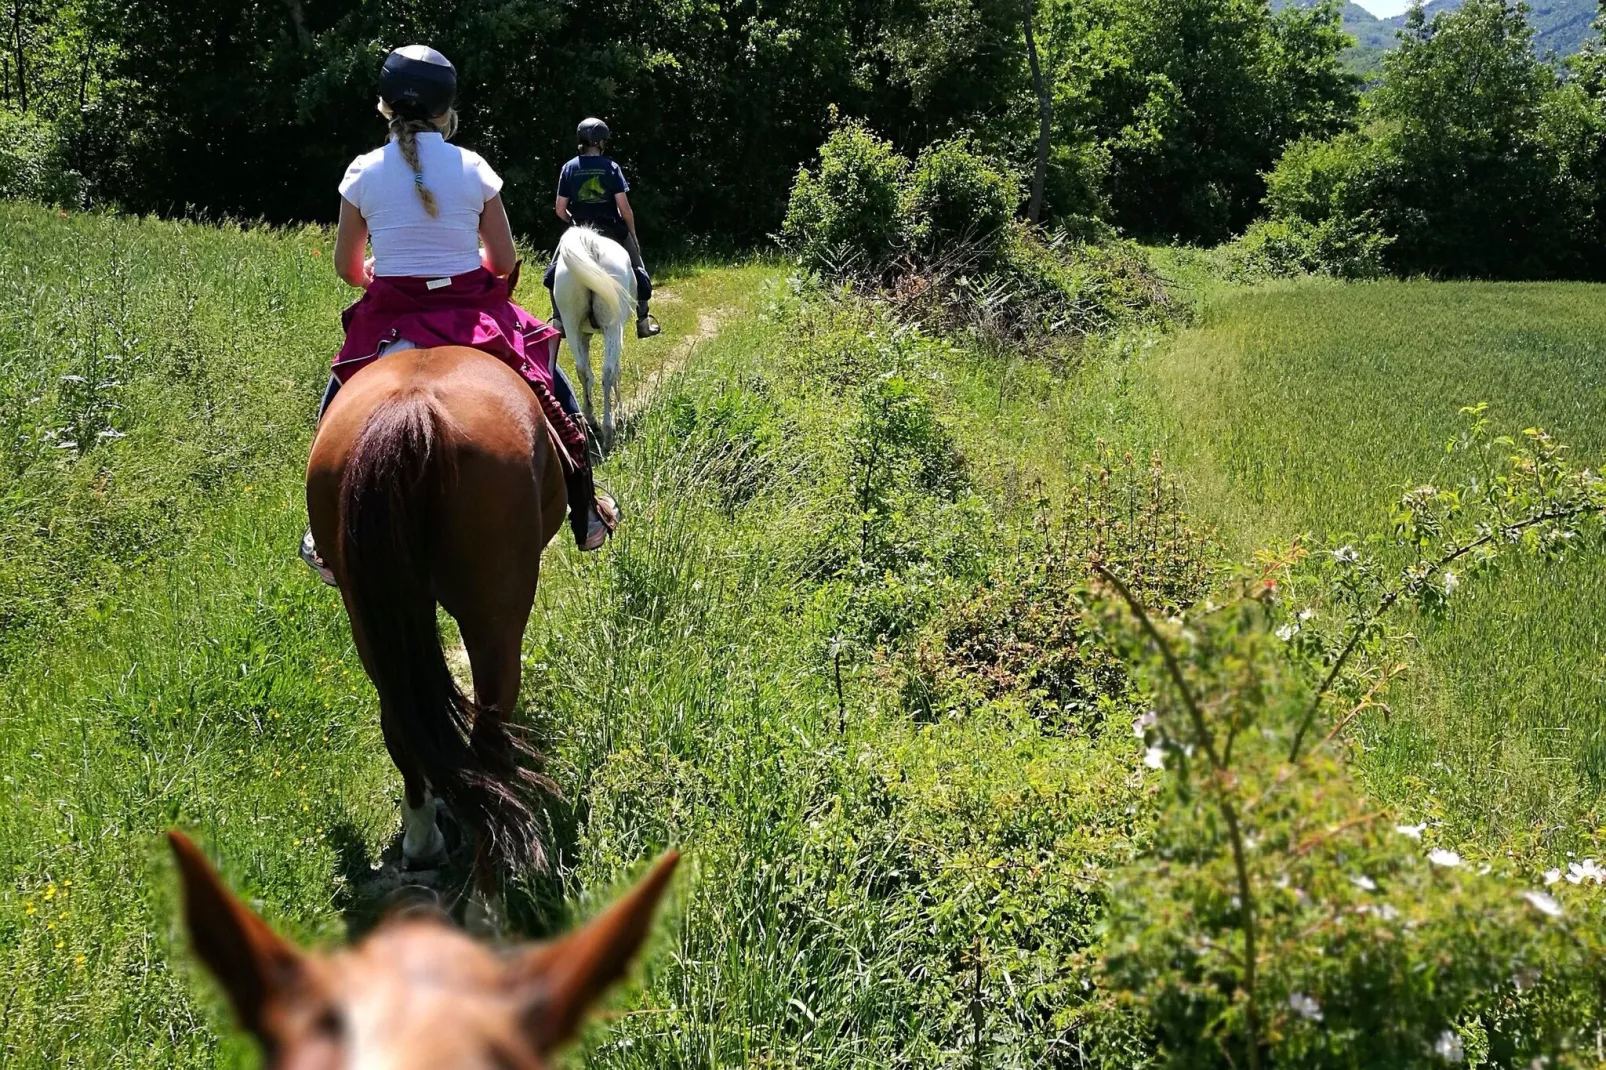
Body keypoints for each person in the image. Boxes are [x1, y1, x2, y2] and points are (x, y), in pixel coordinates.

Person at [300, 45, 618, 585]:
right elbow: (504, 261)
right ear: (447, 109)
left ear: (385, 105)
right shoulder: (472, 167)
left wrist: (379, 269)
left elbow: (348, 269)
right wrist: (464, 261)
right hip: (472, 311)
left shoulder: (361, 172)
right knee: (550, 385)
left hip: (391, 315)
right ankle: (585, 509)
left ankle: (320, 531)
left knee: (337, 400)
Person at [543, 118, 661, 339]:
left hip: (578, 230)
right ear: (600, 142)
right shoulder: (611, 167)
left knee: (553, 273)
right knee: (639, 270)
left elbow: (560, 209)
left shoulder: (569, 168)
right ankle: (643, 321)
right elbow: (624, 209)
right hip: (612, 228)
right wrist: (632, 234)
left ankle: (558, 320)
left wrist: (573, 223)